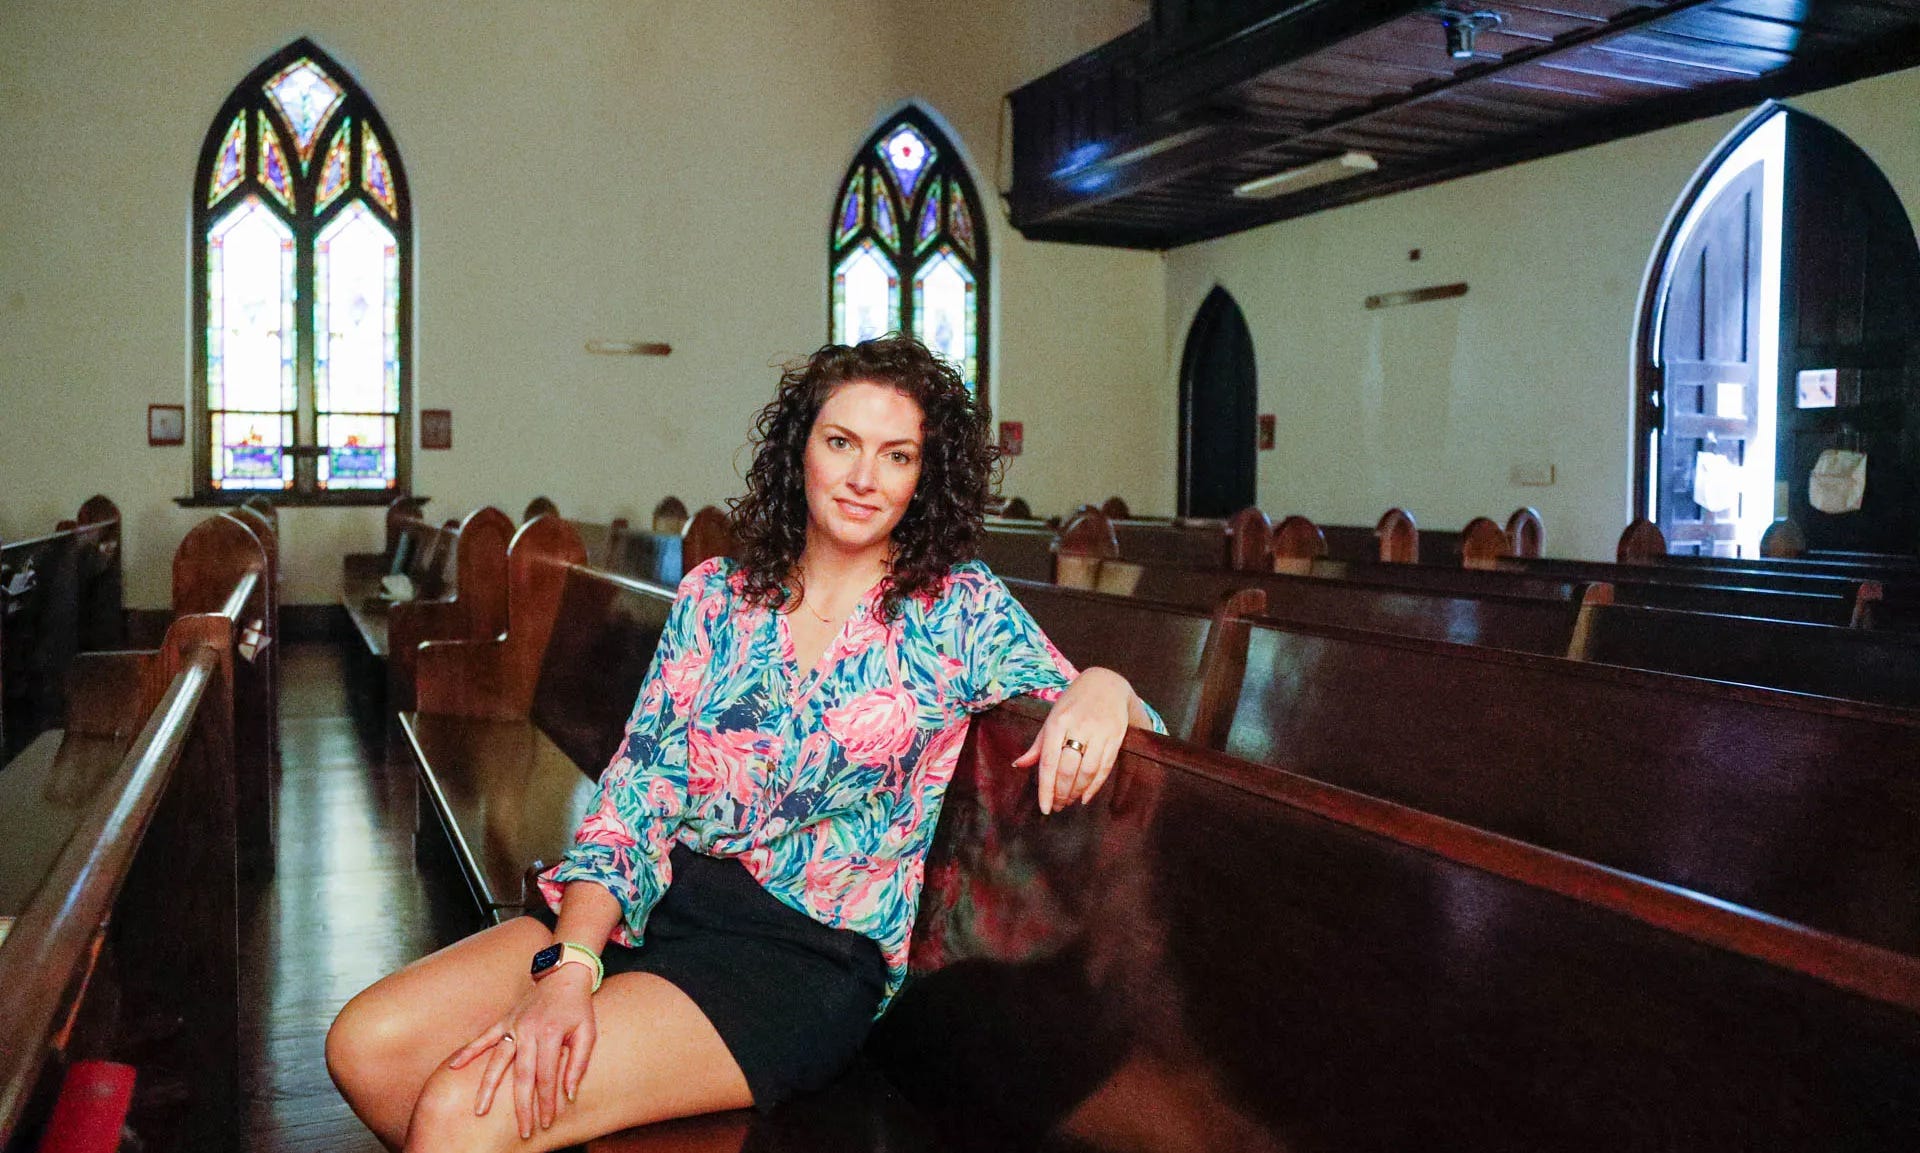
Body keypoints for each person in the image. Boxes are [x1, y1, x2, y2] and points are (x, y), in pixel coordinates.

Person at [325, 335, 1161, 1152]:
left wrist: (1105, 686)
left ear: (924, 476)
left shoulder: (956, 609)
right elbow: (637, 790)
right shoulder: (717, 596)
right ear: (801, 448)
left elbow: (1138, 734)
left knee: (459, 1115)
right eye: (842, 442)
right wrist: (573, 962)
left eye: (897, 455)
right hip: (657, 899)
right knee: (366, 1046)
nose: (865, 477)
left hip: (796, 955)